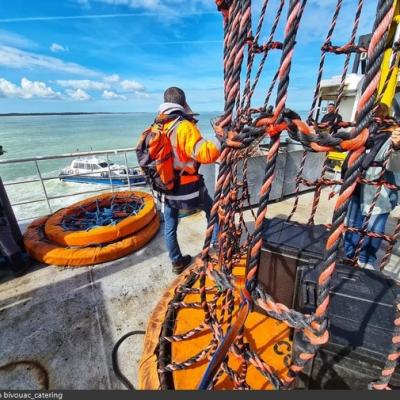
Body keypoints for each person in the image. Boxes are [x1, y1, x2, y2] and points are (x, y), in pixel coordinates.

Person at [156, 87, 221, 274]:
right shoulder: (184, 127)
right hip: (189, 188)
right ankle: (215, 248)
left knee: (170, 225)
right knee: (213, 213)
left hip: (166, 187)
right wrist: (220, 137)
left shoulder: (158, 125)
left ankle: (176, 262)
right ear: (183, 103)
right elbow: (206, 154)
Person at [344, 103, 400, 269]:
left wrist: (397, 147)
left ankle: (366, 260)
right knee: (353, 223)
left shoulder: (389, 136)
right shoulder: (361, 136)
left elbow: (395, 166)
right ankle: (350, 256)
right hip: (355, 187)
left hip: (378, 192)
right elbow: (348, 162)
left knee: (373, 227)